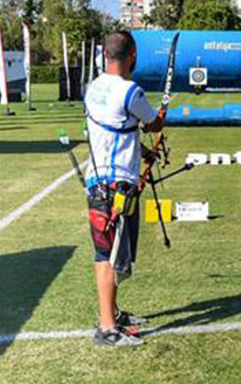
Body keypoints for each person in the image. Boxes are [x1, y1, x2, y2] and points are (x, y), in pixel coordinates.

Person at [84, 31, 165, 346]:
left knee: (109, 250)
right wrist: (160, 117)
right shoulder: (131, 91)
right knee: (107, 254)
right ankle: (107, 328)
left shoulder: (92, 88)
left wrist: (144, 153)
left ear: (106, 55)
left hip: (99, 180)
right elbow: (152, 124)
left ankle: (113, 314)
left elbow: (113, 127)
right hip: (116, 186)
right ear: (132, 55)